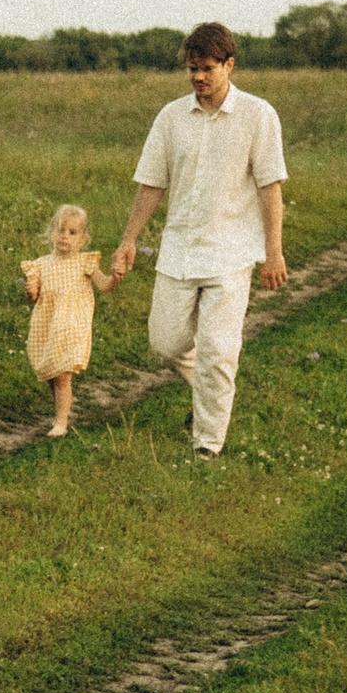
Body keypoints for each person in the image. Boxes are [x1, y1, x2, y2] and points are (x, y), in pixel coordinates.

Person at [111, 23, 289, 457]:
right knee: (166, 343)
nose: (198, 78)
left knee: (218, 351)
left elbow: (270, 187)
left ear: (229, 65)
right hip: (179, 251)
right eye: (192, 69)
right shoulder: (171, 117)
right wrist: (128, 240)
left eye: (207, 69)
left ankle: (207, 445)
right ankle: (210, 394)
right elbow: (152, 183)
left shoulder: (258, 115)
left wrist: (274, 252)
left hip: (230, 253)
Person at [22, 204, 125, 437]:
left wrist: (115, 278)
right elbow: (34, 298)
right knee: (52, 373)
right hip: (47, 325)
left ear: (82, 238)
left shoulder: (84, 263)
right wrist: (30, 290)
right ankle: (60, 412)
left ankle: (61, 422)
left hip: (72, 325)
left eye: (72, 232)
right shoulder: (40, 265)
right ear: (51, 232)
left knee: (63, 374)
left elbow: (104, 285)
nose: (65, 237)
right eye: (61, 230)